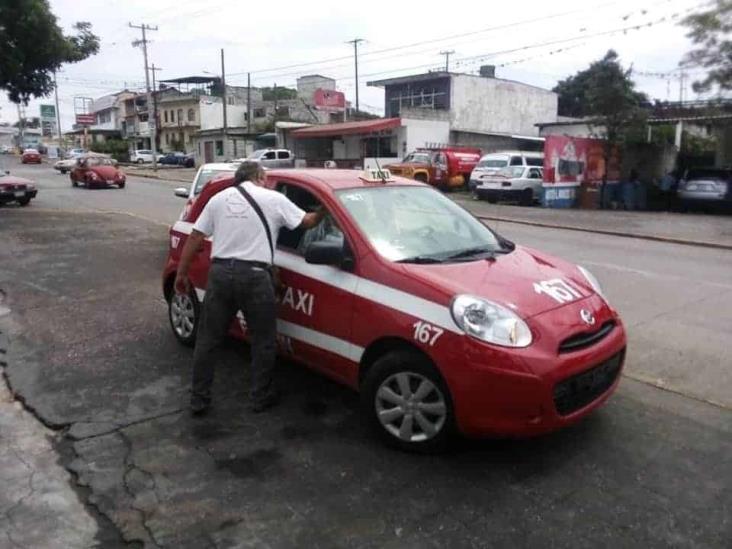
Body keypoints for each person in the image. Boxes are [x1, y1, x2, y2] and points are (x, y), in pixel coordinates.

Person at [174, 160, 325, 415]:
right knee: (263, 340)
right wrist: (326, 208)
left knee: (208, 340)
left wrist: (181, 272)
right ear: (259, 176)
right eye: (264, 177)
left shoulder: (219, 200)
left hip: (220, 274)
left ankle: (199, 400)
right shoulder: (273, 198)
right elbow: (308, 222)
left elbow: (196, 236)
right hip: (255, 277)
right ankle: (259, 396)